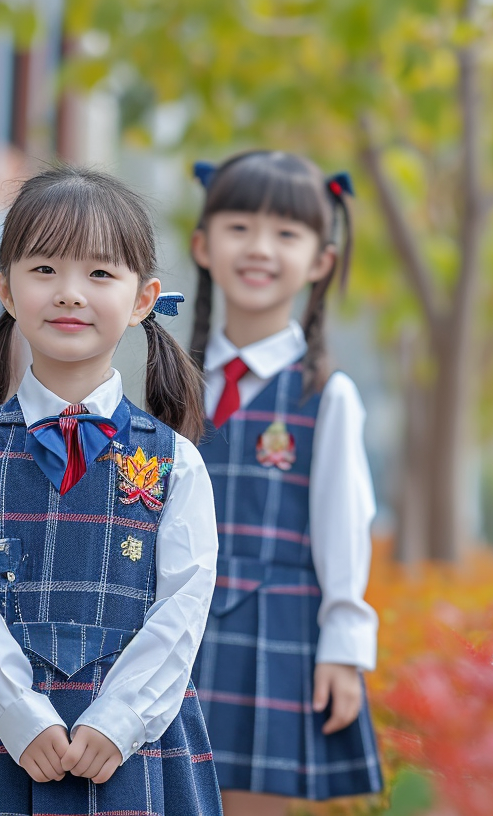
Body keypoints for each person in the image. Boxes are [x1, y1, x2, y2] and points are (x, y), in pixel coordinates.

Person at [0, 166, 221, 816]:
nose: (70, 293)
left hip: (135, 744)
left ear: (143, 299)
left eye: (100, 274)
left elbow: (184, 608)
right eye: (44, 268)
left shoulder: (177, 462)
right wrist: (22, 717)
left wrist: (121, 719)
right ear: (5, 289)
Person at [186, 151, 383, 814]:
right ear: (202, 244)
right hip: (168, 633)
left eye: (286, 234)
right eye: (239, 227)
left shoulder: (326, 396)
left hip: (275, 639)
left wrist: (344, 650)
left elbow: (343, 532)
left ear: (321, 261)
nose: (260, 249)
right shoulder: (169, 389)